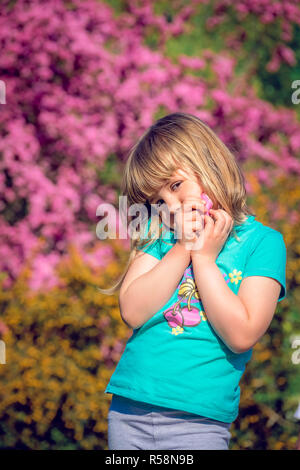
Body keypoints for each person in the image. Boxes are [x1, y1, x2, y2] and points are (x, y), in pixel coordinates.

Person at [100, 112, 287, 450]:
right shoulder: (162, 240)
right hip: (130, 412)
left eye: (175, 185)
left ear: (210, 165)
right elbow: (133, 310)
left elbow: (242, 334)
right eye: (158, 201)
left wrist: (202, 258)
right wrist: (185, 246)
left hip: (199, 420)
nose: (170, 206)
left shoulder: (262, 243)